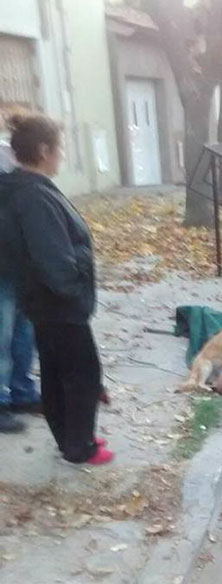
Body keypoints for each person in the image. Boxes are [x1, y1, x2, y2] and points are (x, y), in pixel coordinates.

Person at [0, 113, 112, 464]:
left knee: (55, 368)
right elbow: (53, 259)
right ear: (44, 150)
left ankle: (69, 439)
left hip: (42, 300)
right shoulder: (33, 197)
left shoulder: (25, 189)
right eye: (60, 148)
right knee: (82, 372)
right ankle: (79, 446)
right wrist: (78, 282)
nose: (62, 155)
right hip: (58, 302)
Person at [0, 134, 41, 433]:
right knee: (1, 337)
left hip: (20, 261)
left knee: (24, 332)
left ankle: (22, 392)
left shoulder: (6, 151)